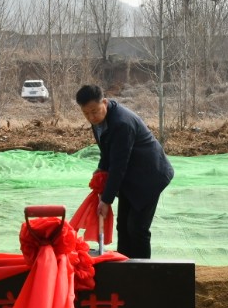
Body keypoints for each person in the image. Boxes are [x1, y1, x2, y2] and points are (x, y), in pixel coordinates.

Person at [75, 84, 174, 259]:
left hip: (149, 176)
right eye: (86, 113)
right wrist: (100, 170)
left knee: (137, 228)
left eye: (94, 111)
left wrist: (106, 200)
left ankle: (143, 269)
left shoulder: (121, 124)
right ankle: (125, 265)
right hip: (130, 176)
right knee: (123, 226)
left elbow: (118, 166)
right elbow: (107, 152)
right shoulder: (99, 121)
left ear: (104, 102)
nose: (91, 117)